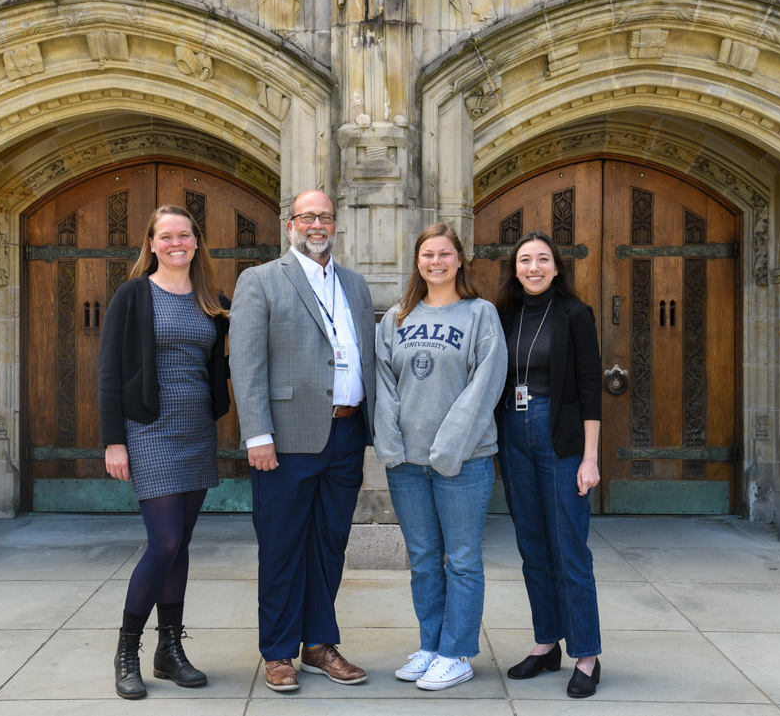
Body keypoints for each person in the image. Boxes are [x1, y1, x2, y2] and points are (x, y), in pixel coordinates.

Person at [229, 190, 376, 692]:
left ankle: (318, 644)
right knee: (281, 546)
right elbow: (245, 364)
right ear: (288, 223)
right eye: (307, 216)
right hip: (285, 440)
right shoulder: (260, 280)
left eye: (325, 216)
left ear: (335, 224)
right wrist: (257, 434)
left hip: (347, 432)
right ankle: (277, 650)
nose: (317, 224)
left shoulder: (354, 285)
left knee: (329, 544)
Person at [98, 205, 230, 699]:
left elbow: (237, 352)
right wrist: (114, 440)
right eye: (166, 236)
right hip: (148, 430)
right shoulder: (133, 295)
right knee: (165, 543)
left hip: (197, 431)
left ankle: (169, 650)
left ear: (196, 242)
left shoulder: (212, 300)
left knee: (182, 547)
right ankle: (126, 652)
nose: (176, 243)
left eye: (185, 235)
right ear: (151, 244)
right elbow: (109, 371)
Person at [374, 223, 507, 691]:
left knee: (464, 559)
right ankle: (431, 645)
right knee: (425, 558)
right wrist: (390, 445)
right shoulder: (396, 318)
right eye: (427, 254)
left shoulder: (480, 314)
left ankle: (457, 652)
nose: (436, 262)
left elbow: (486, 385)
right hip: (407, 465)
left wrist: (449, 447)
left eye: (445, 254)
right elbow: (385, 387)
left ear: (459, 260)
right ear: (418, 261)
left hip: (465, 460)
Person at [495, 231, 603, 698]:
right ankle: (546, 643)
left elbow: (590, 388)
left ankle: (587, 654)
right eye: (525, 260)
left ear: (557, 268)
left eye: (543, 259)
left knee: (569, 550)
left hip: (561, 440)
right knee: (533, 547)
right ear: (515, 268)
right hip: (514, 436)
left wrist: (590, 459)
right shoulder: (504, 315)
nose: (533, 267)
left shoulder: (575, 315)